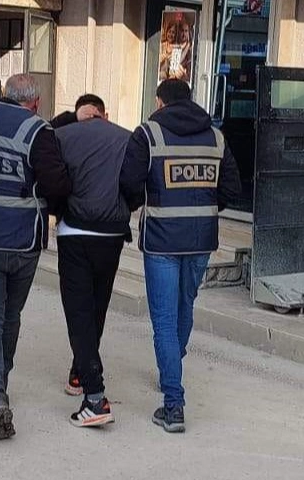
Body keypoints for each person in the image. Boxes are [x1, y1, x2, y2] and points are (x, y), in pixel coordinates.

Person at [120, 79, 241, 433]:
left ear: (161, 102)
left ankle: (173, 404)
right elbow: (232, 189)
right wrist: (204, 209)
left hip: (162, 240)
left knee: (163, 320)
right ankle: (171, 368)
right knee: (184, 307)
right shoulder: (216, 137)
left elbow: (129, 184)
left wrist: (141, 205)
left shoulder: (148, 134)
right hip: (201, 239)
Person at [0, 74, 71, 440]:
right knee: (10, 315)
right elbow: (57, 184)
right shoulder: (38, 132)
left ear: (5, 94)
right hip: (22, 239)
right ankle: (0, 384)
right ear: (35, 102)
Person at [54, 95, 132, 427]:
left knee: (78, 311)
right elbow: (135, 185)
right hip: (112, 234)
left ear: (79, 113)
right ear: (105, 113)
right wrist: (123, 210)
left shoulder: (62, 135)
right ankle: (79, 372)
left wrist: (59, 210)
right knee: (97, 307)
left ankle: (95, 397)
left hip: (74, 232)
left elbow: (50, 173)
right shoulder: (127, 138)